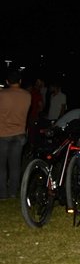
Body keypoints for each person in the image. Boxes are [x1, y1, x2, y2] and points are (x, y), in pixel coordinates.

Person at [0, 71, 31, 199]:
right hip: (19, 134)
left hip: (2, 134)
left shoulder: (2, 94)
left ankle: (2, 193)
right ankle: (13, 192)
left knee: (1, 166)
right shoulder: (27, 95)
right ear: (20, 81)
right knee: (15, 165)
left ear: (7, 81)